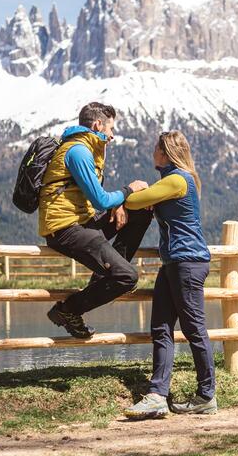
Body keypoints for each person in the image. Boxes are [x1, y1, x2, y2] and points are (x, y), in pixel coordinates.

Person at [123, 130, 216, 418]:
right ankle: (157, 395)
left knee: (193, 329)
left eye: (155, 149)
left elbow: (133, 202)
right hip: (173, 263)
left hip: (187, 262)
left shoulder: (177, 180)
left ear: (165, 152)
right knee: (161, 328)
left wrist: (133, 189)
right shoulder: (171, 181)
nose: (152, 152)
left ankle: (206, 395)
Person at [39, 102, 151, 338]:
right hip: (64, 228)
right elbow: (100, 200)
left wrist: (122, 203)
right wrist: (128, 190)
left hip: (82, 221)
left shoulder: (89, 148)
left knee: (141, 210)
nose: (112, 135)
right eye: (111, 128)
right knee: (128, 277)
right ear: (98, 125)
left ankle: (106, 273)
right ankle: (68, 310)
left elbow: (96, 200)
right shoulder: (78, 151)